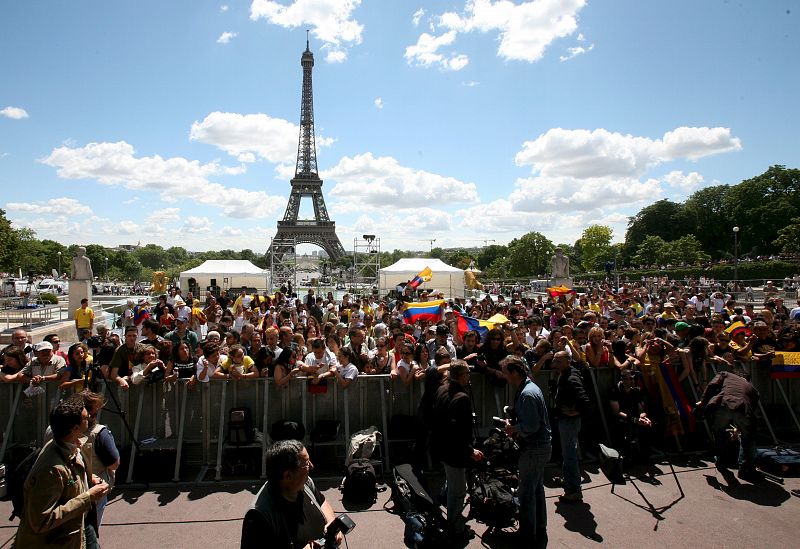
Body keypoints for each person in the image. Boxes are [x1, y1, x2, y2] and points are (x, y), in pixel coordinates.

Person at [14, 394, 110, 548]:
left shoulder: (68, 444)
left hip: (79, 526)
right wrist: (88, 497)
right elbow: (41, 521)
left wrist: (87, 478)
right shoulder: (51, 469)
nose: (91, 418)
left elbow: (69, 476)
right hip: (58, 540)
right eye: (87, 417)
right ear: (75, 428)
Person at [241, 439, 342, 549]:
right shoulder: (258, 517)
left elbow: (322, 502)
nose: (312, 466)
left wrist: (332, 523)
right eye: (306, 464)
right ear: (288, 475)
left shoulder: (305, 484)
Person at [502, 356, 551, 545]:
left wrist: (513, 429)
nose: (505, 377)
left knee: (527, 494)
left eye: (506, 373)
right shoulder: (528, 388)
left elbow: (531, 426)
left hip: (534, 449)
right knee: (536, 490)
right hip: (538, 448)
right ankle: (539, 528)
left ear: (515, 372)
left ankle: (528, 535)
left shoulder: (528, 394)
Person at [431, 360, 483, 540]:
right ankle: (455, 527)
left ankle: (453, 521)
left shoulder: (442, 389)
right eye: (468, 373)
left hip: (442, 447)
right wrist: (470, 451)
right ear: (461, 376)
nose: (469, 376)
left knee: (454, 486)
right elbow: (457, 431)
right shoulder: (461, 398)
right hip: (455, 452)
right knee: (458, 491)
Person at [696, 370, 763, 482]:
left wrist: (703, 401)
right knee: (748, 439)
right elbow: (751, 411)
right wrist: (739, 429)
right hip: (743, 409)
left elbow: (712, 385)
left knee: (719, 433)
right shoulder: (753, 390)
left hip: (724, 404)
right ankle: (745, 469)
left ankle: (721, 461)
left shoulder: (726, 374)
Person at [551, 350, 590, 503]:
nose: (555, 364)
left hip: (569, 421)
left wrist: (575, 411)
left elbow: (585, 400)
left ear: (568, 361)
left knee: (569, 454)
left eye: (558, 361)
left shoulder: (572, 378)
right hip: (566, 420)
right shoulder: (568, 372)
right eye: (555, 360)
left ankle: (574, 490)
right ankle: (569, 480)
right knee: (567, 453)